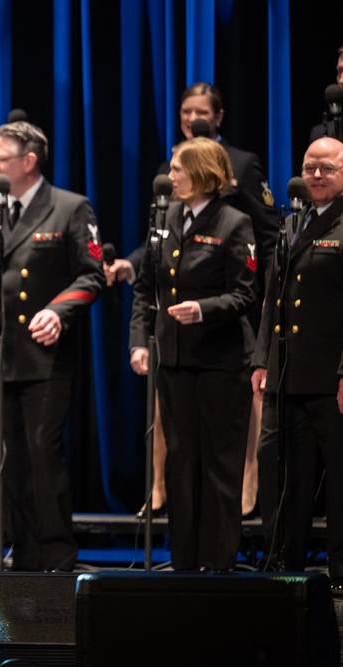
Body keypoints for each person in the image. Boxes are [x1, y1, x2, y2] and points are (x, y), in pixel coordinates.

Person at [108, 83, 278, 519]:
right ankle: (162, 486)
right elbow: (162, 241)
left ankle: (247, 482)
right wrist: (131, 264)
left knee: (241, 404)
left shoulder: (240, 164)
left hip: (233, 300)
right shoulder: (171, 170)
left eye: (199, 111)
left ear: (218, 115)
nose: (190, 118)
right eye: (185, 111)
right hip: (178, 319)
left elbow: (264, 232)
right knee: (170, 405)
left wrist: (268, 295)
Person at [0, 121, 105, 572]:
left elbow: (92, 273)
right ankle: (18, 552)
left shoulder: (70, 207)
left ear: (29, 161)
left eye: (0, 156)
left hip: (43, 356)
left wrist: (59, 311)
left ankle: (55, 554)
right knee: (5, 457)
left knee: (42, 453)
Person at [130, 136, 257, 571]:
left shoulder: (234, 223)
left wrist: (203, 310)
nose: (171, 176)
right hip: (176, 361)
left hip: (222, 363)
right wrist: (138, 341)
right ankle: (184, 565)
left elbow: (246, 294)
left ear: (203, 173)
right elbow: (146, 287)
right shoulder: (164, 217)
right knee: (181, 466)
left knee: (219, 467)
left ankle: (218, 564)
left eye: (178, 168)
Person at [251, 137, 343, 585]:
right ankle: (286, 568)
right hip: (288, 375)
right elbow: (274, 299)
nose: (317, 175)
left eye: (327, 168)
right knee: (286, 477)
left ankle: (341, 572)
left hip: (333, 378)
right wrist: (262, 360)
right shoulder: (291, 223)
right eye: (310, 167)